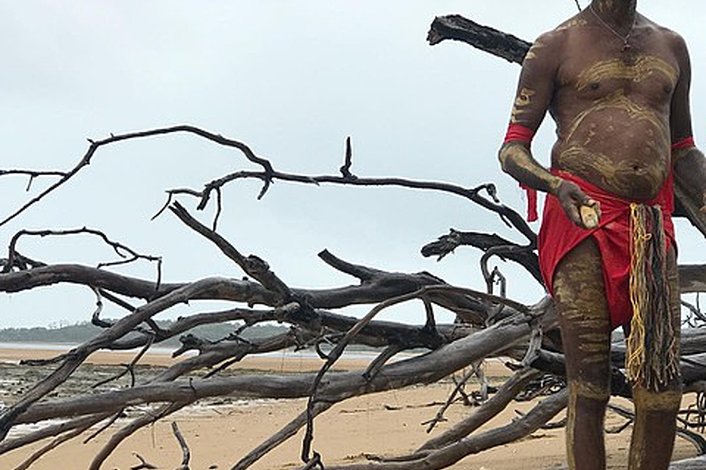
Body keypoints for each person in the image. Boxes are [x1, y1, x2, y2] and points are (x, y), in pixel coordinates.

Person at [497, 1, 706, 469]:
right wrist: (555, 185)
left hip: (649, 230)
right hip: (582, 224)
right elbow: (512, 149)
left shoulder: (672, 46)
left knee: (661, 387)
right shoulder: (554, 46)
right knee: (589, 384)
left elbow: (683, 150)